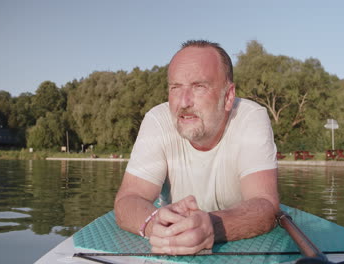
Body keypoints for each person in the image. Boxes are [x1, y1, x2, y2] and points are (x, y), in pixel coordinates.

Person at [114, 40, 279, 255]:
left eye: (199, 87)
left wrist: (212, 226)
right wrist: (156, 225)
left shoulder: (250, 118)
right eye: (175, 88)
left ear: (228, 96)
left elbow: (265, 204)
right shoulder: (157, 120)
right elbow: (128, 199)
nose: (183, 102)